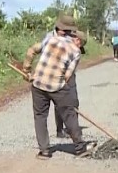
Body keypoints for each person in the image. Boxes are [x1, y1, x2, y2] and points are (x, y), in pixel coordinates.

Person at [28, 30, 93, 159]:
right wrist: (66, 95)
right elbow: (68, 75)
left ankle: (44, 151)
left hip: (38, 83)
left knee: (40, 116)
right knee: (69, 114)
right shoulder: (75, 51)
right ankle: (80, 148)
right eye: (81, 44)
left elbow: (33, 51)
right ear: (78, 41)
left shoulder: (51, 39)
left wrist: (29, 72)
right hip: (56, 85)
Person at [23, 15, 77, 138]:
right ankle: (72, 140)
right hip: (48, 79)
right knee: (42, 114)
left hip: (64, 75)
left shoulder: (69, 38)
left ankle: (64, 131)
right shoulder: (49, 38)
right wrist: (27, 71)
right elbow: (32, 50)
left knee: (69, 105)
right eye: (67, 31)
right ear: (61, 29)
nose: (69, 33)